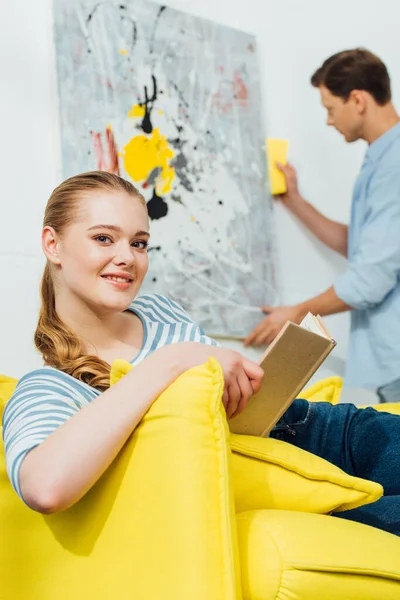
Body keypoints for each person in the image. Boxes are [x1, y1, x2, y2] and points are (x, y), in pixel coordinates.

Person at [2, 171, 400, 537]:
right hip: (291, 496)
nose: (127, 257)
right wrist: (174, 361)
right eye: (104, 238)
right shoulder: (51, 386)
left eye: (139, 243)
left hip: (324, 431)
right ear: (52, 244)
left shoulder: (159, 311)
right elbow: (44, 488)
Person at [244, 48, 400, 403]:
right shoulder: (381, 159)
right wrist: (295, 201)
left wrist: (297, 311)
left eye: (330, 109)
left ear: (357, 100)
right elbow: (361, 246)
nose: (329, 121)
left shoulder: (394, 165)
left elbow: (370, 281)